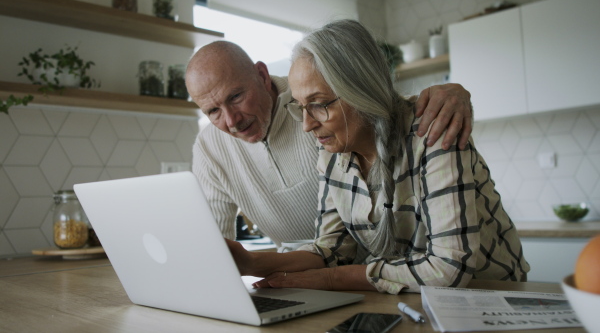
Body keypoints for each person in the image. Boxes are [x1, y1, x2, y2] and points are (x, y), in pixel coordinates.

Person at [225, 20, 529, 294]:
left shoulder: (433, 131)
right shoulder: (331, 153)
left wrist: (333, 280)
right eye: (302, 107)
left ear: (361, 89)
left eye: (319, 104)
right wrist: (252, 263)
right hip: (417, 299)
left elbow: (449, 267)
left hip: (492, 297)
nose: (307, 125)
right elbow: (332, 249)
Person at [186, 41, 473, 248]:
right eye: (213, 112)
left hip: (375, 266)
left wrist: (452, 91)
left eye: (236, 96)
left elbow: (383, 111)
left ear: (261, 76)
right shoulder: (209, 149)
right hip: (310, 269)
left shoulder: (317, 95)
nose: (231, 120)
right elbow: (216, 243)